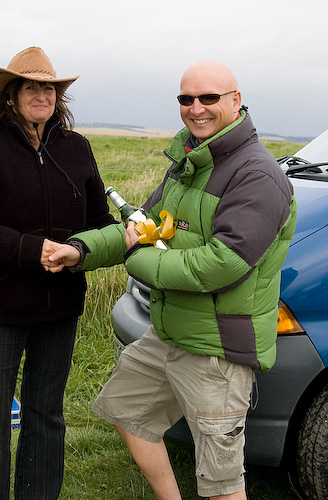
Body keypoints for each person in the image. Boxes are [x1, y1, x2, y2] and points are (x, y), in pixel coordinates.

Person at [46, 60, 297, 499]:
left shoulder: (256, 175)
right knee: (127, 413)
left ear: (236, 101)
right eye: (186, 99)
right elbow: (139, 227)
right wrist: (79, 249)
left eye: (209, 98)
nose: (196, 108)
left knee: (220, 483)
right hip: (172, 333)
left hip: (216, 349)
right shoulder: (189, 161)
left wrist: (136, 259)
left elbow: (221, 264)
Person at [0, 46, 116, 500]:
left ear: (57, 97)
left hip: (61, 305)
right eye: (31, 86)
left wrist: (80, 252)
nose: (42, 94)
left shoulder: (77, 149)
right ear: (12, 96)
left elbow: (100, 223)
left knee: (46, 412)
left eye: (49, 87)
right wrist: (31, 250)